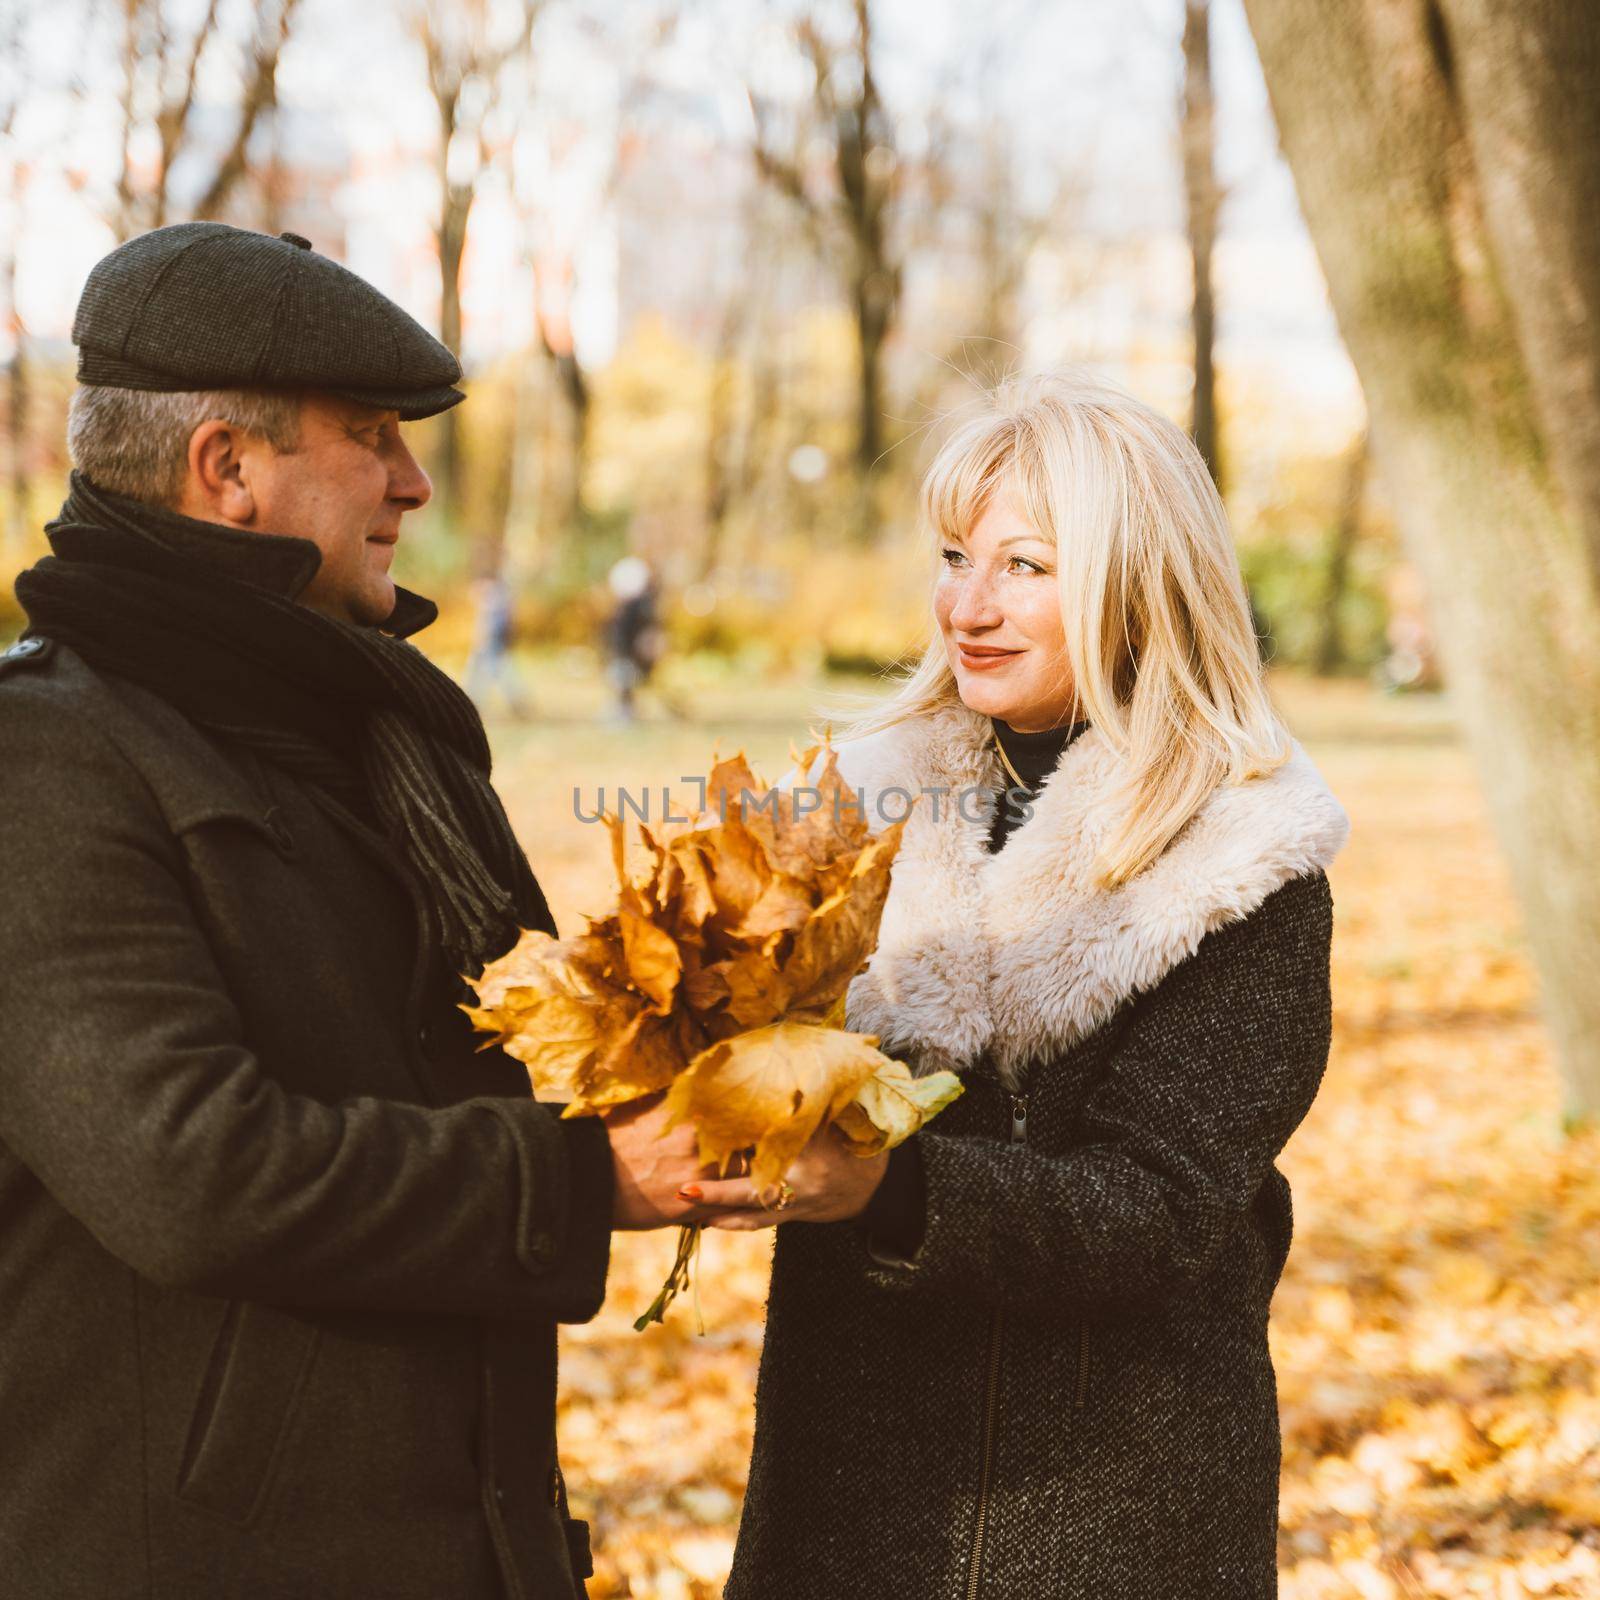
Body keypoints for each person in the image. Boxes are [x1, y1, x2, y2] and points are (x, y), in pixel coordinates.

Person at [0, 223, 713, 1600]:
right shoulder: (43, 759)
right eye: (372, 434)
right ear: (229, 470)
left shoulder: (394, 736)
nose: (415, 481)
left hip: (466, 1542)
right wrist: (587, 1181)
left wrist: (712, 1019)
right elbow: (194, 1173)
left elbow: (504, 1052)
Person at [690, 371, 1353, 1598]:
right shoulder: (850, 813)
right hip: (851, 1490)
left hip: (1110, 1506)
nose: (967, 606)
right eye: (954, 556)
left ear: (1136, 582)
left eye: (1026, 567)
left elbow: (1155, 1206)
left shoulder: (1246, 864)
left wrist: (887, 1186)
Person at [464, 570, 532, 718]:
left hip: (491, 643)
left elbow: (489, 626)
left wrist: (482, 641)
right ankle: (472, 701)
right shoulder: (497, 598)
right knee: (495, 672)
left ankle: (516, 700)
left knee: (497, 672)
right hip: (492, 644)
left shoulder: (492, 599)